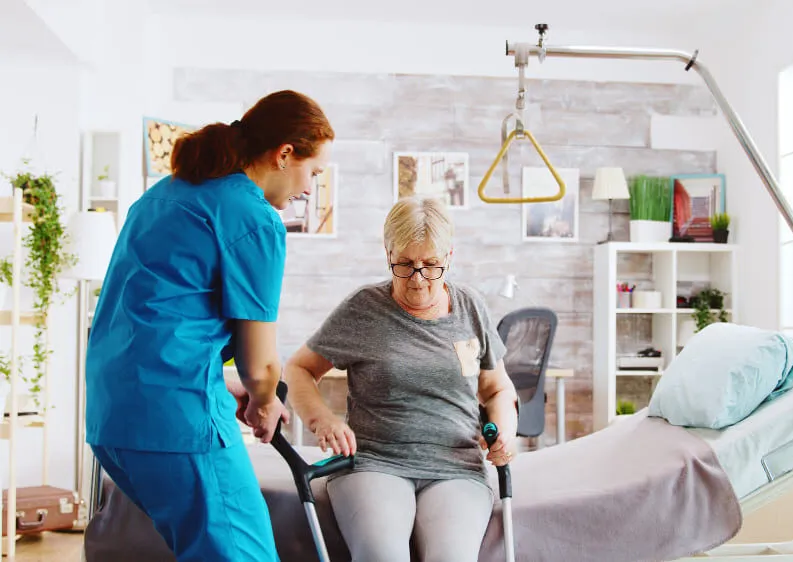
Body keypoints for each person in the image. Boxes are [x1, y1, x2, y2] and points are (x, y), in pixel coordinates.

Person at [85, 90, 334, 562]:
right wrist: (263, 401)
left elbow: (155, 319)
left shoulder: (164, 194)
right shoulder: (253, 217)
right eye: (313, 172)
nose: (309, 188)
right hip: (174, 422)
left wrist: (225, 384)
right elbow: (262, 366)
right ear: (284, 155)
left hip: (112, 419)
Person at [286, 195, 519, 562]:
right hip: (375, 462)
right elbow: (298, 369)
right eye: (405, 265)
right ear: (387, 252)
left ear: (449, 257)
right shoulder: (364, 308)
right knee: (382, 555)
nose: (418, 279)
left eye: (431, 265)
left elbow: (497, 389)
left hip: (455, 465)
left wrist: (504, 431)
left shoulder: (471, 307)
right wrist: (322, 420)